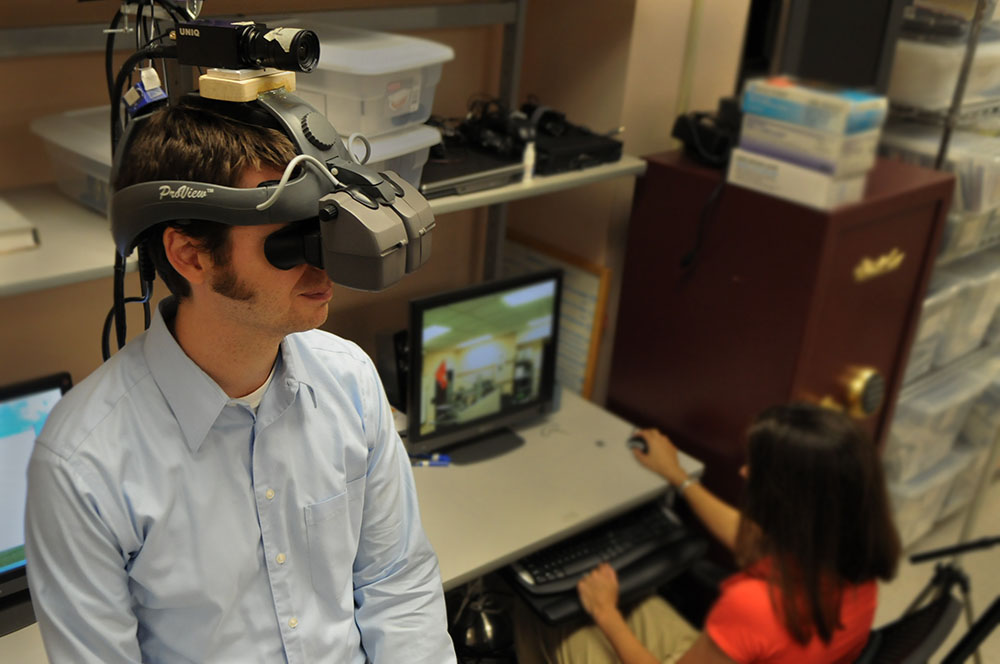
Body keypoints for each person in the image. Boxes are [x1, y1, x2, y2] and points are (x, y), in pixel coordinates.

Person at [24, 101, 457, 663]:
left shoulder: (349, 382)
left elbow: (397, 585)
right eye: (290, 241)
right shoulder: (83, 466)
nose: (326, 264)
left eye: (325, 230)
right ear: (191, 255)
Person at [516, 403, 901, 664]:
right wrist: (679, 477)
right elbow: (752, 539)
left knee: (535, 612)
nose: (745, 474)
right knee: (639, 599)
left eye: (758, 469)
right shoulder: (856, 566)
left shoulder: (755, 606)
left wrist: (604, 611)